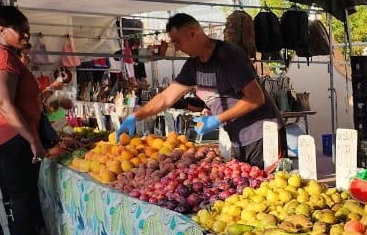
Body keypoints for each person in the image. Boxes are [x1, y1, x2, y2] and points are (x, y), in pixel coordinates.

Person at [116, 13, 281, 168]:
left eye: (178, 42)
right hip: (238, 138)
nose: (177, 48)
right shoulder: (193, 65)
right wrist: (135, 116)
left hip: (263, 135)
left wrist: (217, 119)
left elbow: (256, 98)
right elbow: (166, 97)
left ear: (193, 34)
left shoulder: (228, 57)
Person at [0, 5, 59, 235]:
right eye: (20, 31)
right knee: (22, 195)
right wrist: (32, 138)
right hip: (12, 138)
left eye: (27, 31)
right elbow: (2, 102)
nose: (26, 36)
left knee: (11, 195)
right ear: (1, 30)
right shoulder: (3, 58)